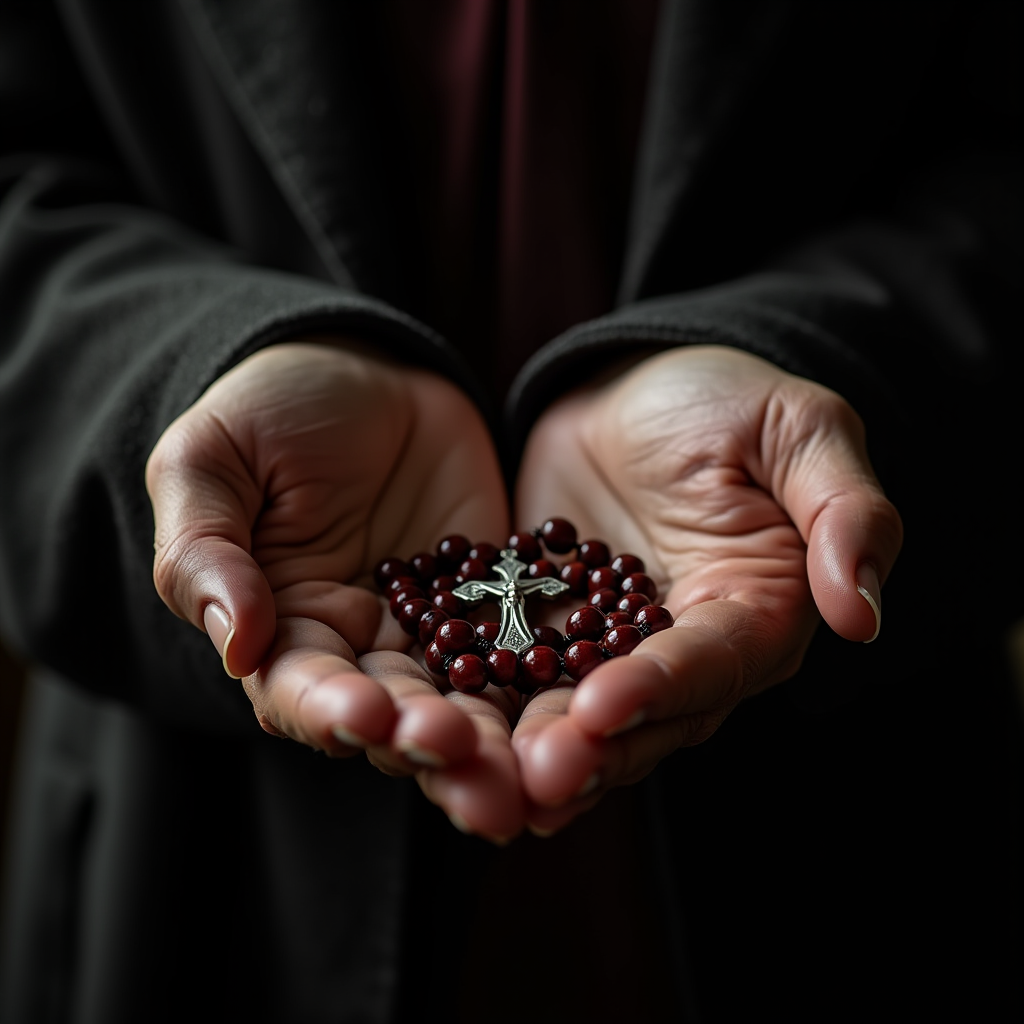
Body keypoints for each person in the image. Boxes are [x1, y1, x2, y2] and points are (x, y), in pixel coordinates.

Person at [0, 1, 1020, 1021]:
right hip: (206, 859)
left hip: (828, 836)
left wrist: (830, 364)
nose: (509, 584)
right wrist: (193, 374)